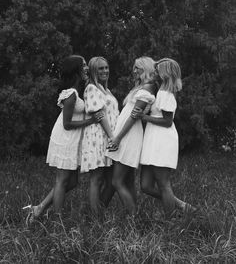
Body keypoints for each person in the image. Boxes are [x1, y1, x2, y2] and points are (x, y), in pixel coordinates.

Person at [23, 55, 102, 222]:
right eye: (84, 65)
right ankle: (56, 222)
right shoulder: (71, 94)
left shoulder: (75, 90)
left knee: (72, 182)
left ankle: (39, 208)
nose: (87, 67)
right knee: (62, 180)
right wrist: (91, 121)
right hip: (66, 138)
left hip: (72, 139)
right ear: (76, 69)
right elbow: (66, 124)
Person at [132, 58, 195, 219]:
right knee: (146, 185)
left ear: (165, 74)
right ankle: (182, 206)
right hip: (153, 139)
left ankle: (170, 220)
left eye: (157, 70)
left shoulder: (166, 94)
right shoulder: (160, 92)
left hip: (162, 140)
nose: (154, 73)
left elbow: (167, 121)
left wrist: (143, 117)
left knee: (163, 183)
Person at [106, 57, 156, 215]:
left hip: (128, 137)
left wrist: (118, 138)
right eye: (134, 68)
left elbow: (134, 117)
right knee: (127, 181)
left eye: (138, 68)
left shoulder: (147, 88)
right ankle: (133, 216)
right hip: (126, 135)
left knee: (117, 181)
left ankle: (134, 217)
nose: (134, 71)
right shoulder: (140, 87)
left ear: (146, 69)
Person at [80, 56, 119, 215]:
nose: (105, 71)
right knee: (96, 179)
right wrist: (112, 137)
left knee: (112, 181)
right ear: (94, 71)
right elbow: (100, 115)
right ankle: (96, 218)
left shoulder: (106, 90)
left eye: (106, 67)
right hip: (98, 138)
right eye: (101, 68)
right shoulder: (91, 88)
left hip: (108, 138)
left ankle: (97, 213)